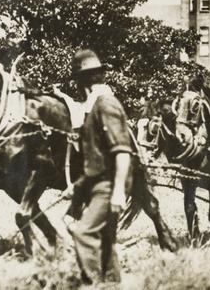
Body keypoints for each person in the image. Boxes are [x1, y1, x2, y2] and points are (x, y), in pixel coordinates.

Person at [64, 49, 134, 284]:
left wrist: (118, 192)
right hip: (98, 183)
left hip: (108, 185)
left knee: (83, 233)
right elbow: (97, 159)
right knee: (105, 239)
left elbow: (122, 151)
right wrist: (77, 186)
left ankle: (93, 284)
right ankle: (112, 283)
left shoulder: (106, 105)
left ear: (82, 81)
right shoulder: (94, 107)